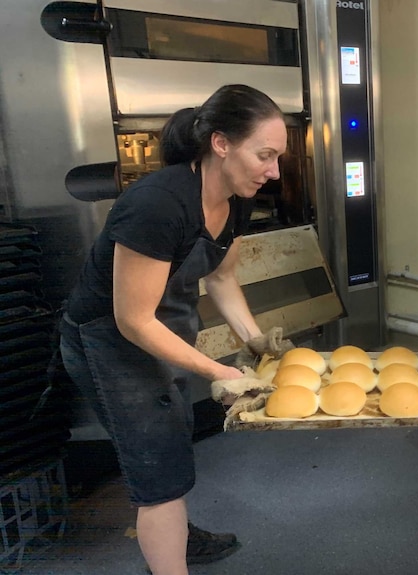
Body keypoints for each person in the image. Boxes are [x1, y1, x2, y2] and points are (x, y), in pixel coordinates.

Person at [59, 84, 293, 575]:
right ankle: (169, 556)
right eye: (265, 155)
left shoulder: (236, 198)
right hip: (110, 341)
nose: (274, 171)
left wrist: (253, 338)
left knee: (172, 436)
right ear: (221, 144)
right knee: (157, 465)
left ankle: (177, 536)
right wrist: (220, 372)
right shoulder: (158, 203)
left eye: (278, 157)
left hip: (162, 332)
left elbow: (222, 277)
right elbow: (132, 318)